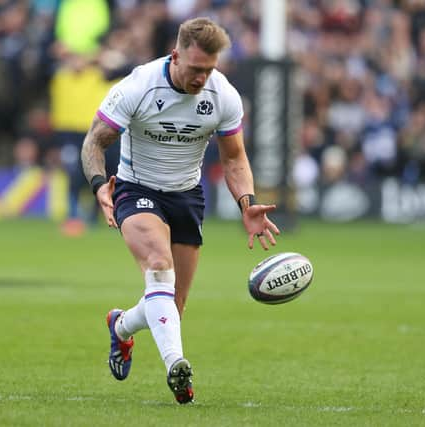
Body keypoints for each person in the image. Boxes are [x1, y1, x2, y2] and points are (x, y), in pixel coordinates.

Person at [80, 17, 280, 404]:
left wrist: (248, 204)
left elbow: (235, 159)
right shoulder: (138, 86)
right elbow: (94, 142)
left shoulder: (223, 95)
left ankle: (121, 326)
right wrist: (98, 186)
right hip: (136, 188)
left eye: (209, 69)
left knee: (171, 306)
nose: (202, 78)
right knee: (158, 265)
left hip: (186, 196)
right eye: (195, 69)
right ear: (175, 56)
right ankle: (177, 365)